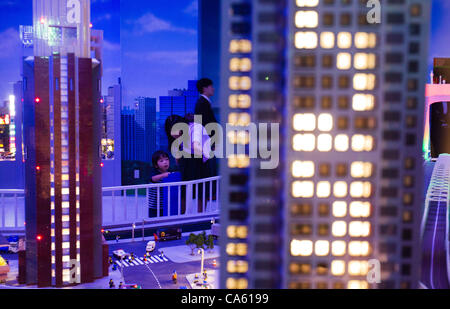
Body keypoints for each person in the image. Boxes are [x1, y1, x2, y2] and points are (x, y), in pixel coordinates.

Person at [165, 114, 212, 213]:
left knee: (202, 190)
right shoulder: (179, 135)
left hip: (202, 157)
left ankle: (201, 216)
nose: (174, 134)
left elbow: (196, 147)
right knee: (184, 189)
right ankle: (183, 216)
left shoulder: (195, 128)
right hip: (190, 157)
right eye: (171, 131)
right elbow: (178, 156)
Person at [148, 150, 173, 217]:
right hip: (154, 206)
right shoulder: (154, 172)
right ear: (156, 165)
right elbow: (153, 179)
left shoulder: (169, 173)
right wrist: (163, 175)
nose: (165, 162)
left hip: (165, 204)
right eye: (161, 161)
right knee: (154, 223)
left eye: (167, 160)